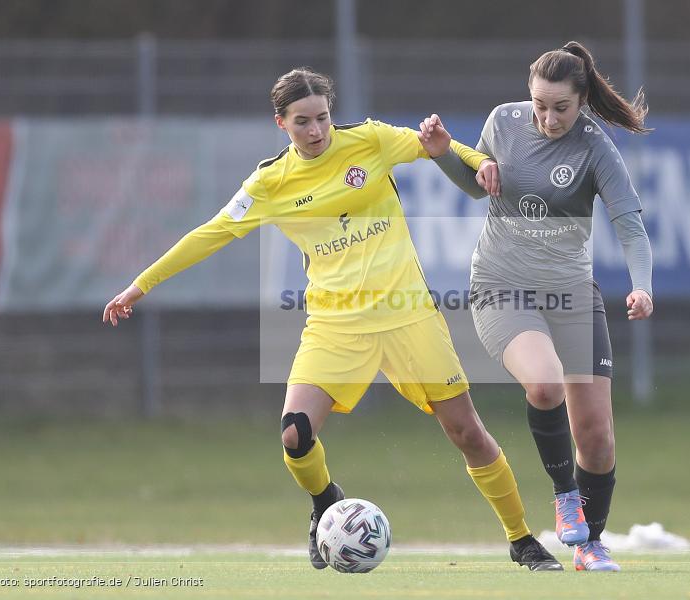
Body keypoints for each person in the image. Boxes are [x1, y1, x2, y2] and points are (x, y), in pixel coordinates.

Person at [102, 68, 563, 571]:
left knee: (467, 433)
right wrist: (140, 284)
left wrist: (480, 164)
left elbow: (440, 145)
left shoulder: (369, 140)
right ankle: (325, 501)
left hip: (408, 316)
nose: (316, 131)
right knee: (295, 435)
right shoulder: (270, 182)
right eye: (302, 122)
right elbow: (209, 233)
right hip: (334, 326)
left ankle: (521, 539)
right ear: (281, 123)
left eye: (322, 117)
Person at [419, 41, 654, 572]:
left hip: (571, 292)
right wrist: (443, 153)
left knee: (595, 436)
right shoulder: (503, 122)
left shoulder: (596, 146)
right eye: (539, 105)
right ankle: (564, 494)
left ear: (582, 100)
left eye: (561, 108)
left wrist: (642, 286)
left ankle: (589, 543)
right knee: (544, 385)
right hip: (502, 286)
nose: (547, 118)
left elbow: (630, 226)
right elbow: (479, 187)